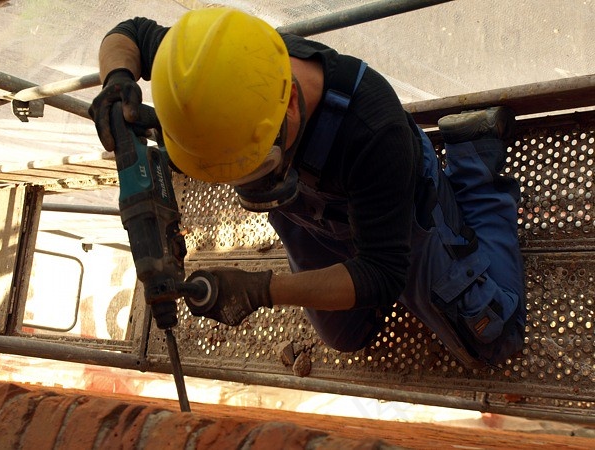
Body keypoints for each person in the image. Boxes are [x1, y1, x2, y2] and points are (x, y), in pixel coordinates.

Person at [89, 7, 526, 368]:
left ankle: (474, 159)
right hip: (310, 208)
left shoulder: (374, 133)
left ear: (291, 103)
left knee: (491, 338)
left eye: (258, 163)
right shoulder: (220, 66)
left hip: (397, 201)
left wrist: (262, 289)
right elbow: (127, 33)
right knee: (346, 334)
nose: (250, 181)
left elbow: (382, 274)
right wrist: (116, 83)